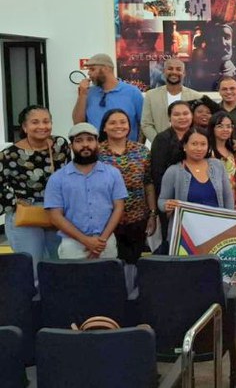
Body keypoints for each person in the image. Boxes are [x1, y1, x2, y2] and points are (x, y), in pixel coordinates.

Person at [0, 106, 70, 271]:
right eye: (35, 122)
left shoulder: (60, 145)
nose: (42, 126)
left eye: (46, 121)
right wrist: (15, 202)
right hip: (26, 214)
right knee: (32, 266)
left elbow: (69, 175)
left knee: (59, 264)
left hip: (56, 212)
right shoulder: (9, 155)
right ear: (24, 127)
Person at [44, 123, 128, 259]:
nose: (85, 145)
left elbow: (119, 208)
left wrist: (101, 242)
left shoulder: (113, 174)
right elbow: (55, 216)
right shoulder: (57, 178)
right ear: (71, 146)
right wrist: (85, 240)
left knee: (108, 280)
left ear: (98, 144)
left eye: (90, 139)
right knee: (73, 280)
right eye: (79, 141)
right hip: (72, 244)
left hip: (106, 242)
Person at [97, 109, 157, 276]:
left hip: (137, 217)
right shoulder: (96, 153)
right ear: (104, 128)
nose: (118, 126)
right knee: (109, 267)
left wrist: (152, 214)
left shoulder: (141, 151)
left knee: (133, 264)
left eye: (123, 122)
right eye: (113, 122)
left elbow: (148, 183)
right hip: (106, 220)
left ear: (129, 127)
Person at [158, 127, 235, 215]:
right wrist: (166, 205)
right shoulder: (173, 171)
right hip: (186, 227)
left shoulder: (218, 165)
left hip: (217, 225)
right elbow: (162, 200)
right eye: (194, 144)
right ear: (184, 146)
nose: (199, 148)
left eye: (203, 144)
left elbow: (228, 198)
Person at [72, 53, 144, 142]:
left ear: (106, 69)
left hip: (127, 152)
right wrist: (82, 94)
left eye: (92, 69)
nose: (89, 74)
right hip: (96, 151)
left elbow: (143, 124)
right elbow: (78, 124)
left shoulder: (132, 92)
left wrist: (139, 148)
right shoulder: (89, 93)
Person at [150, 100, 193, 245]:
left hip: (195, 196)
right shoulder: (162, 139)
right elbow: (157, 174)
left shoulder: (198, 135)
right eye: (177, 114)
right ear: (169, 118)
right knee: (173, 239)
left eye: (186, 113)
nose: (182, 117)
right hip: (170, 199)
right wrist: (164, 203)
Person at [140, 58, 202, 141]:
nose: (174, 72)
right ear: (164, 72)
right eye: (170, 69)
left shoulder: (196, 96)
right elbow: (146, 124)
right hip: (159, 147)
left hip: (187, 147)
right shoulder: (151, 95)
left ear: (184, 73)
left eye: (178, 69)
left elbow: (198, 124)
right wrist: (159, 142)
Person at [208, 111, 236, 210]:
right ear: (212, 128)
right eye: (220, 126)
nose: (225, 130)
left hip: (232, 198)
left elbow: (234, 178)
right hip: (214, 199)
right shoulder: (208, 152)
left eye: (229, 126)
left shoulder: (231, 151)